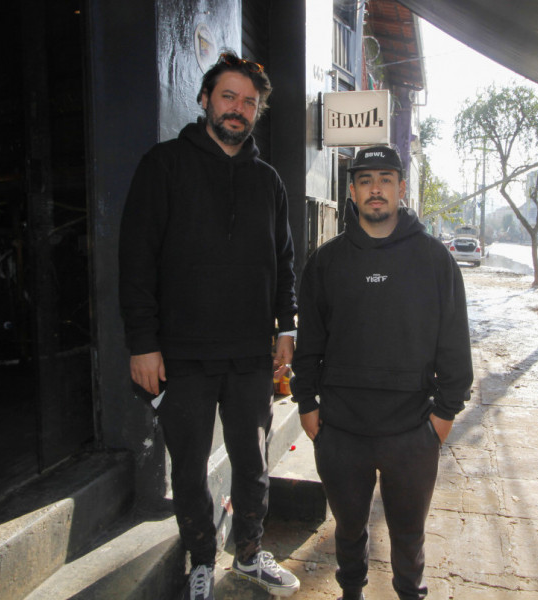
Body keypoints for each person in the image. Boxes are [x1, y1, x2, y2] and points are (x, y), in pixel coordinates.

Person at [119, 51, 300, 600]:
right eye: (229, 96)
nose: (238, 109)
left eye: (250, 102)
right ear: (204, 100)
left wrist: (286, 329)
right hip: (182, 354)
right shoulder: (163, 165)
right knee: (191, 469)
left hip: (249, 355)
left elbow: (285, 263)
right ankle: (201, 557)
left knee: (253, 464)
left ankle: (247, 553)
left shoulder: (268, 182)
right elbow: (135, 261)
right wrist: (142, 344)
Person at [291, 145, 473, 600]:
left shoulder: (434, 260)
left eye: (386, 179)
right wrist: (307, 405)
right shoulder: (327, 262)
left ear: (400, 188)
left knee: (408, 536)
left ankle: (410, 593)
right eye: (366, 180)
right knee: (349, 529)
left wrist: (442, 418)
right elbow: (309, 343)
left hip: (412, 431)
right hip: (340, 430)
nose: (376, 189)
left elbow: (454, 346)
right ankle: (351, 591)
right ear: (351, 191)